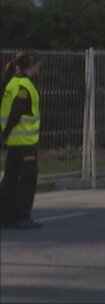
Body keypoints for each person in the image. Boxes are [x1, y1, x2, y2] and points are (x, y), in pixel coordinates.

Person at [1, 52, 43, 229]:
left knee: (9, 179)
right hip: (25, 143)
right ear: (31, 64)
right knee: (26, 180)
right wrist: (4, 134)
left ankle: (5, 215)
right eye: (38, 64)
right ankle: (21, 216)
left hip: (14, 142)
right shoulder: (24, 86)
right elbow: (17, 112)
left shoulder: (11, 82)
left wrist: (4, 135)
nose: (39, 67)